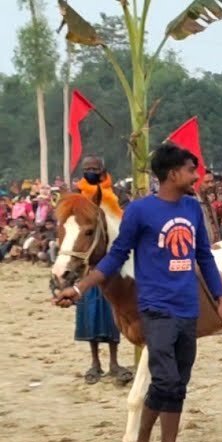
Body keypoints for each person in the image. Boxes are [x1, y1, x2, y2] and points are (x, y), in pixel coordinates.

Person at [53, 144, 222, 442]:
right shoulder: (140, 211)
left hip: (188, 307)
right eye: (190, 170)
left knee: (178, 386)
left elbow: (204, 257)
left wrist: (221, 298)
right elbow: (114, 257)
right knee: (164, 380)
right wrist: (80, 288)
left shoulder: (193, 209)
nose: (196, 176)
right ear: (172, 174)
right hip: (156, 307)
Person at [72, 156, 131, 385]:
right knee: (89, 313)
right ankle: (95, 362)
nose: (90, 172)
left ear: (103, 169)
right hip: (87, 263)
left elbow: (124, 219)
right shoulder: (77, 195)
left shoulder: (116, 193)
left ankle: (115, 362)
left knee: (112, 313)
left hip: (113, 262)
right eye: (86, 169)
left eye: (94, 169)